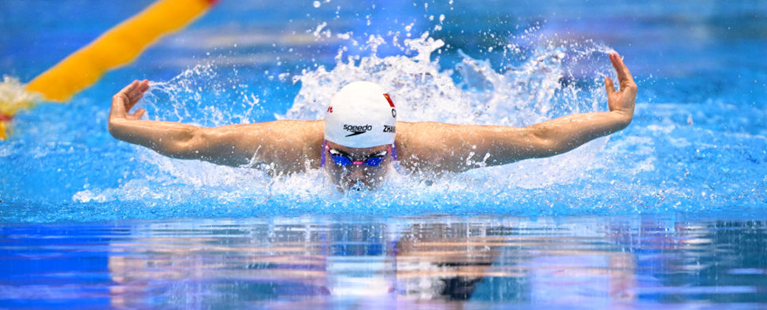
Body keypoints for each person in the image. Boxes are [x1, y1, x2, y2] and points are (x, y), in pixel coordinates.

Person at [108, 52, 637, 191]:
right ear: (322, 144)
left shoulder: (427, 150)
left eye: (371, 160)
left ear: (393, 148)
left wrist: (615, 119)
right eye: (340, 158)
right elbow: (192, 139)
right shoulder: (286, 147)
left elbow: (536, 139)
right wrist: (120, 125)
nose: (357, 175)